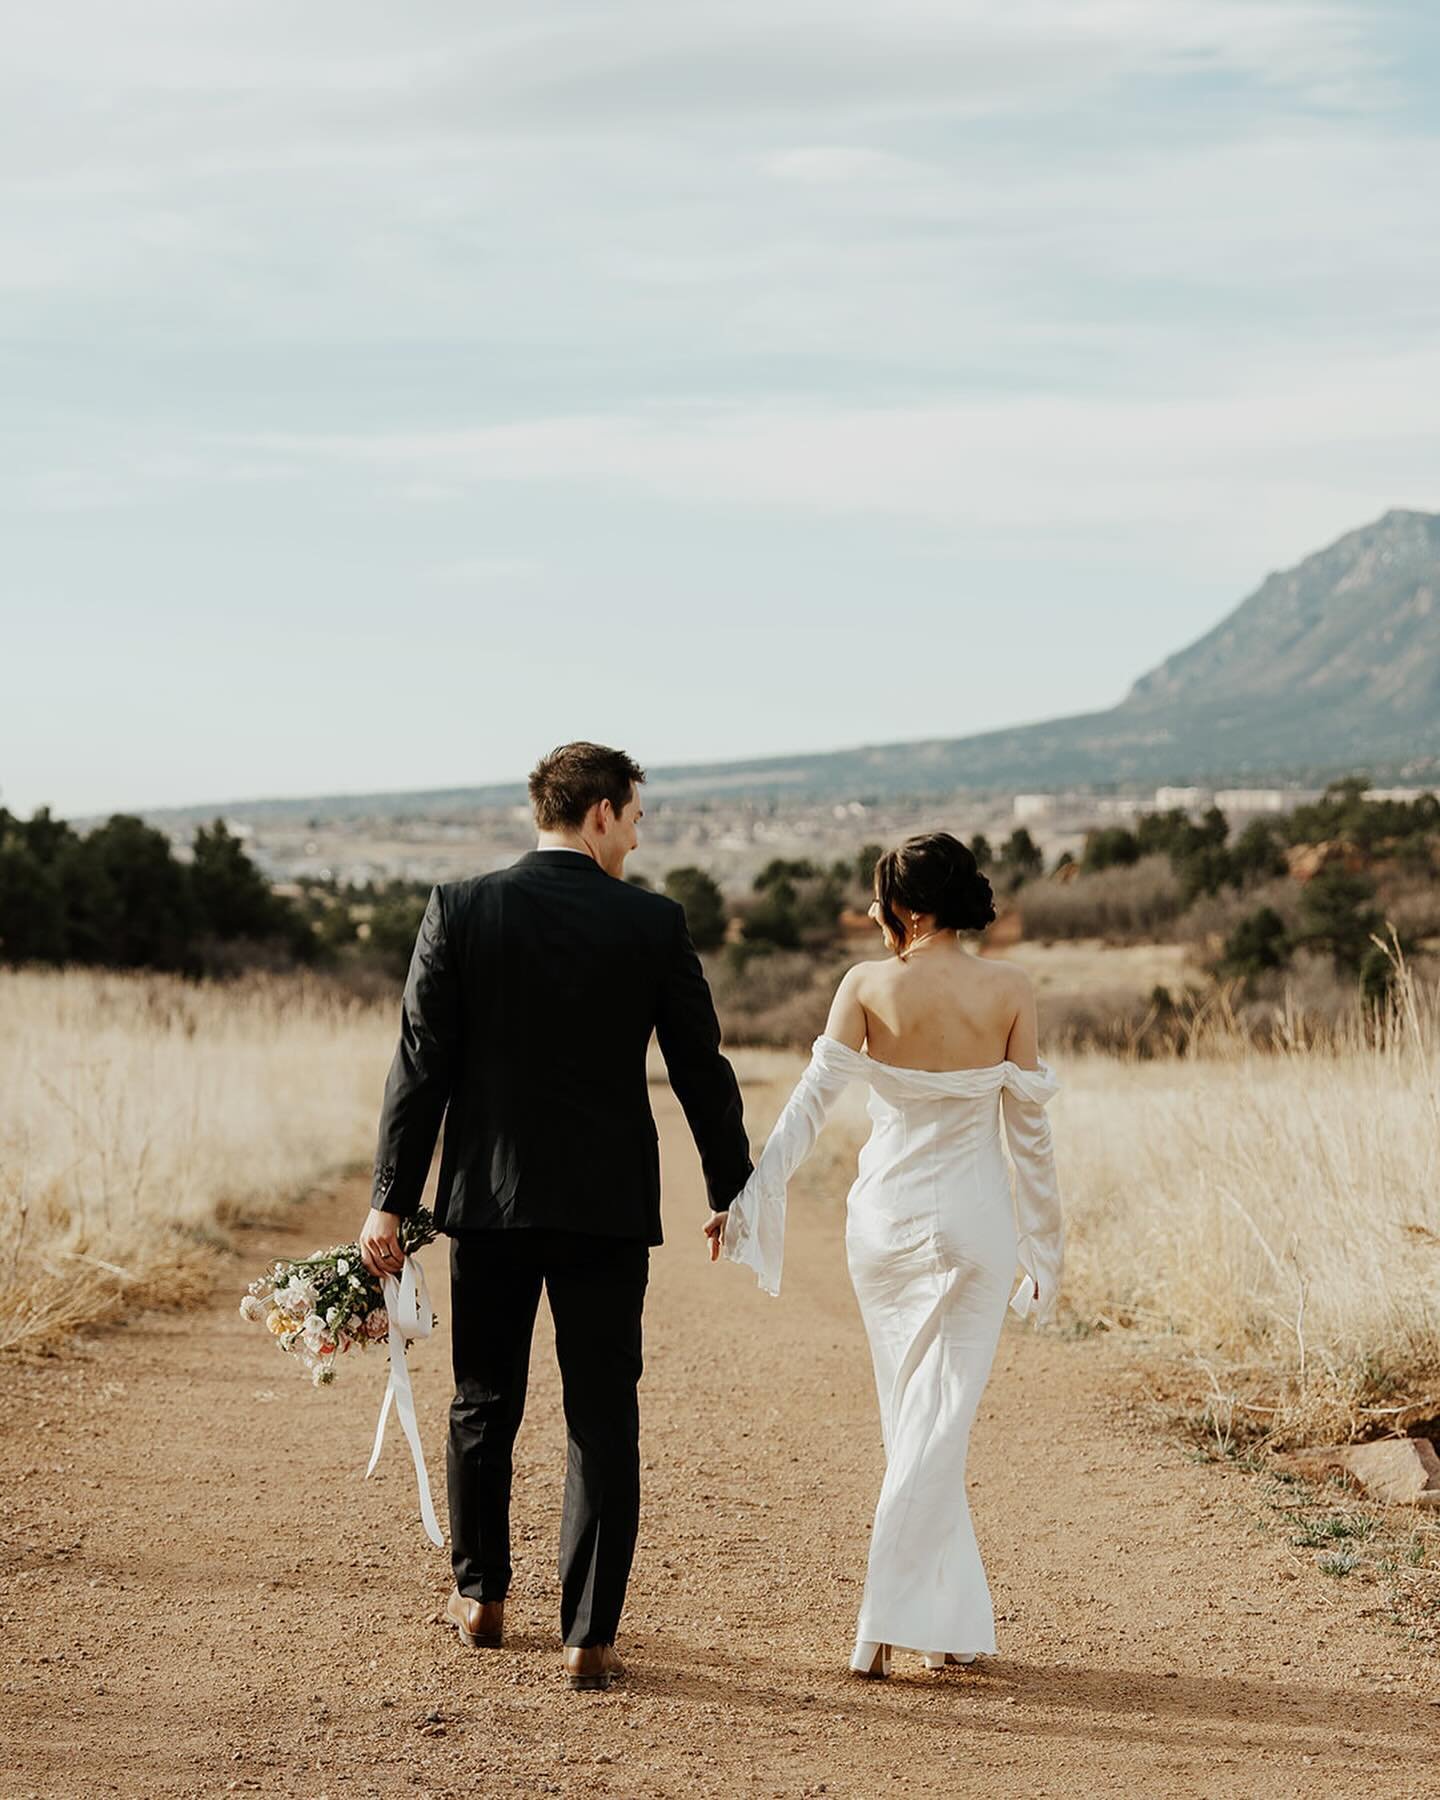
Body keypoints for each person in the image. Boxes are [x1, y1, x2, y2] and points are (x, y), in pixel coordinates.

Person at [358, 741, 753, 1692]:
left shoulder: (460, 908)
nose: (638, 837)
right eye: (637, 817)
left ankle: (482, 1596)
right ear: (602, 813)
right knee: (602, 1416)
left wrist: (389, 1201)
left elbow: (421, 1067)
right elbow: (701, 1066)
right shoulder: (653, 923)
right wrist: (732, 1191)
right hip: (607, 1210)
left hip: (487, 1204)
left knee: (483, 1402)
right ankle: (588, 1635)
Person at [712, 831, 1063, 1678]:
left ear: (907, 908)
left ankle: (901, 1624)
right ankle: (925, 1623)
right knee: (937, 1422)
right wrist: (1045, 1249)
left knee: (913, 1417)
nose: (873, 915)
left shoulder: (866, 985)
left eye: (880, 902)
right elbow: (1031, 1136)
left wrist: (748, 1197)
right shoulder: (1010, 988)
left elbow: (809, 1106)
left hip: (886, 1225)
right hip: (978, 1224)